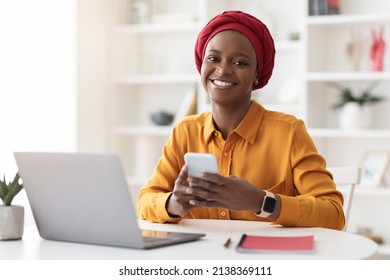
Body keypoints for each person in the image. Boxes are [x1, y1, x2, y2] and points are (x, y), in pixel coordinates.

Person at [137, 11, 345, 230]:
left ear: (257, 73)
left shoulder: (289, 133)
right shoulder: (185, 131)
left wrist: (261, 201)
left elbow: (333, 214)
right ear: (201, 64)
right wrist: (173, 204)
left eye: (240, 62)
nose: (223, 69)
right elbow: (145, 200)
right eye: (213, 58)